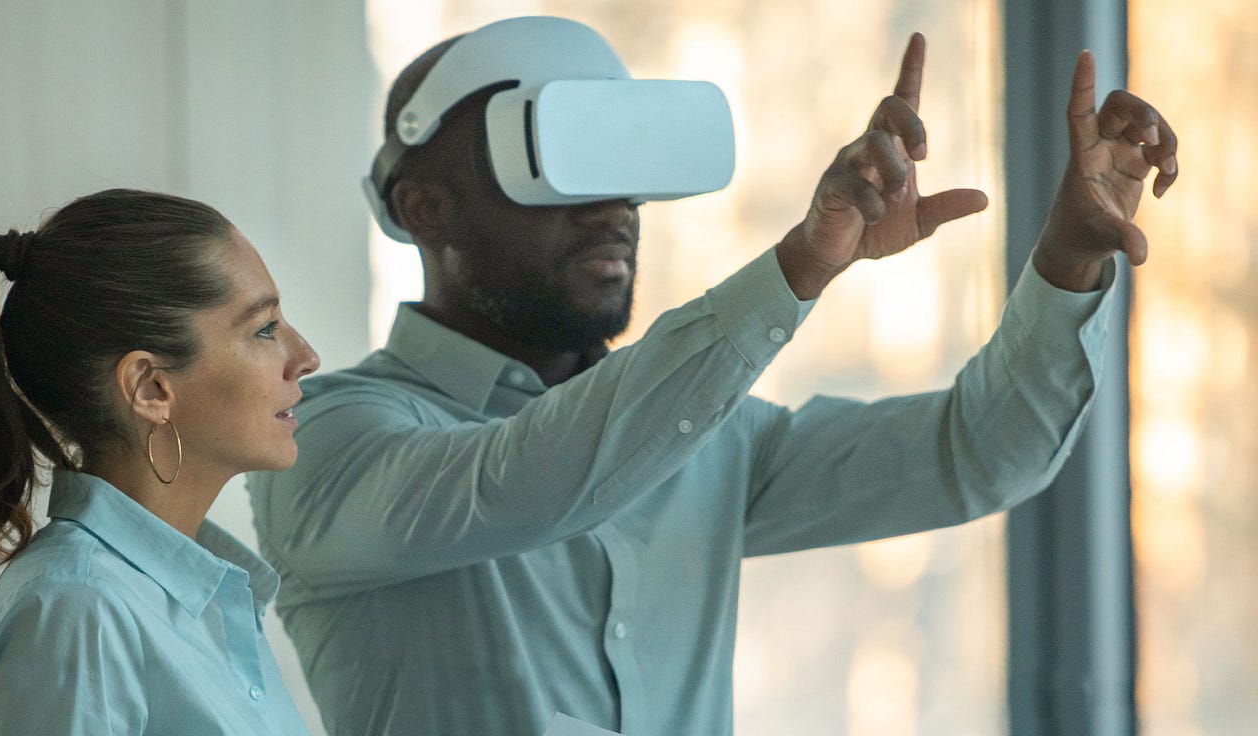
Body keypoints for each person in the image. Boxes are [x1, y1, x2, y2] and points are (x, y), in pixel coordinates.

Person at [248, 17, 1179, 736]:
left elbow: (977, 453)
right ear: (425, 209)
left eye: (620, 161)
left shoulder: (707, 437)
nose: (611, 205)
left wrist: (1067, 260)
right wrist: (799, 265)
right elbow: (528, 480)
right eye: (554, 164)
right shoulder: (323, 442)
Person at [0, 189, 321, 735]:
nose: (306, 357)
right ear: (151, 388)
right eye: (264, 328)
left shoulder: (205, 602)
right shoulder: (80, 611)